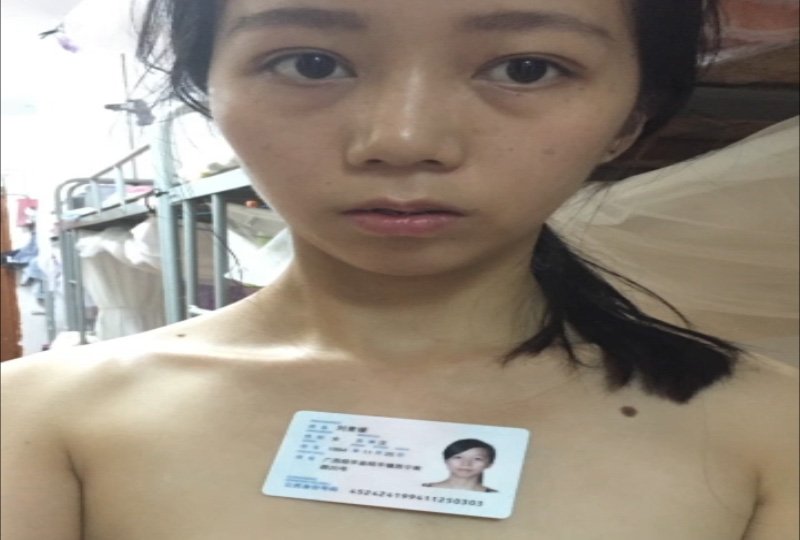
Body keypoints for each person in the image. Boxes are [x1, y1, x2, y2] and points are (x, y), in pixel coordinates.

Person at [2, 0, 797, 538]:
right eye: (311, 63)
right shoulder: (39, 420)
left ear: (631, 116)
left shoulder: (773, 430)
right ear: (209, 90)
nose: (404, 139)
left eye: (526, 68)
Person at [422, 439, 499, 493]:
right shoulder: (422, 489)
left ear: (489, 464)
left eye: (477, 459)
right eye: (458, 457)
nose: (466, 464)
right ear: (446, 461)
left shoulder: (495, 496)